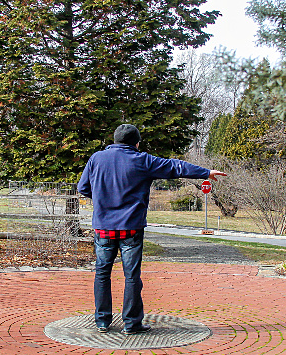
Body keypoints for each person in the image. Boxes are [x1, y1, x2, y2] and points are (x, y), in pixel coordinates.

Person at [77, 124, 227, 335]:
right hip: (131, 228)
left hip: (103, 228)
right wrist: (205, 172)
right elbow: (175, 167)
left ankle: (102, 321)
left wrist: (103, 200)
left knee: (102, 274)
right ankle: (131, 323)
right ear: (136, 143)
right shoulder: (142, 160)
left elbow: (83, 188)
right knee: (131, 276)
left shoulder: (96, 159)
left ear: (114, 140)